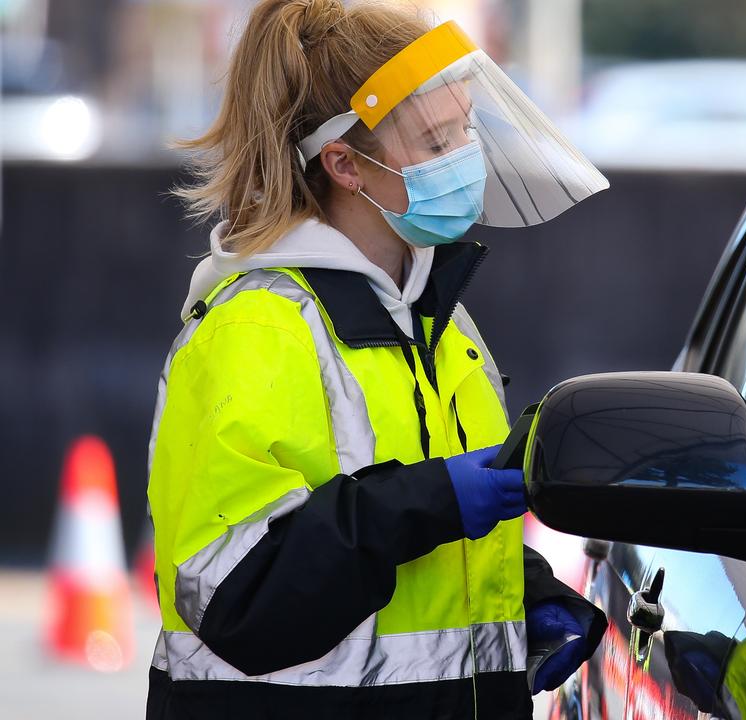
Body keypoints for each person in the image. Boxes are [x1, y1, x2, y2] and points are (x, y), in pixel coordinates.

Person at [145, 1, 608, 717]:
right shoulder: (258, 329)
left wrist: (526, 595)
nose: (462, 156)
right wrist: (431, 500)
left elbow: (415, 547)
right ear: (344, 166)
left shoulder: (437, 316)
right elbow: (237, 593)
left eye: (464, 128)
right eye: (433, 141)